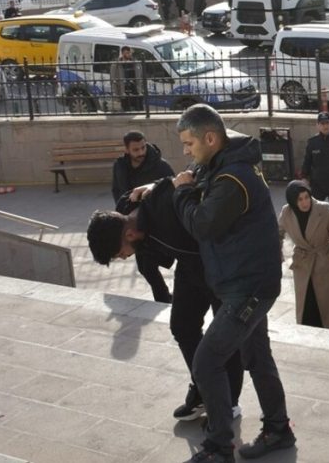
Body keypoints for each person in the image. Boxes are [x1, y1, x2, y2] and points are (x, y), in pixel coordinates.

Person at [171, 104, 293, 462]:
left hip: (248, 288)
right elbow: (197, 181)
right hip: (248, 281)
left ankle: (220, 447)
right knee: (257, 356)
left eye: (189, 143)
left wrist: (183, 193)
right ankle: (278, 429)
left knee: (207, 361)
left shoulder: (233, 178)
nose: (186, 152)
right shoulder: (221, 165)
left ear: (210, 138)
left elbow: (203, 224)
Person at [86, 177, 245, 424]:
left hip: (219, 270)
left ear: (128, 233)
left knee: (224, 338)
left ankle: (228, 403)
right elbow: (154, 189)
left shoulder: (166, 215)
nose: (124, 258)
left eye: (120, 253)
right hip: (190, 269)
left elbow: (185, 182)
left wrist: (159, 184)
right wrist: (149, 186)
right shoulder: (129, 208)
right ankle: (203, 390)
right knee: (182, 327)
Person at [277, 180, 329, 329]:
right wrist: (278, 252)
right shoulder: (287, 212)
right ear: (293, 201)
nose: (305, 202)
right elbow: (278, 233)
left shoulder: (324, 209)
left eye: (306, 197)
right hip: (303, 265)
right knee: (307, 309)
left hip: (324, 263)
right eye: (300, 199)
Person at [110, 130, 175, 300]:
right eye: (136, 150)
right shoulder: (120, 166)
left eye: (143, 147)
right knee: (145, 267)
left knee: (150, 263)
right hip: (133, 224)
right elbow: (117, 189)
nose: (141, 153)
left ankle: (165, 297)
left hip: (155, 224)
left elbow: (172, 188)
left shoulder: (161, 166)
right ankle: (163, 296)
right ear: (127, 150)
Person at [110, 46, 142, 112]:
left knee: (139, 108)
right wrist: (115, 92)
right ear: (123, 53)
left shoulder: (135, 63)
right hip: (123, 89)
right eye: (127, 53)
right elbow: (113, 79)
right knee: (126, 109)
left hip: (134, 89)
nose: (129, 54)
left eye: (130, 52)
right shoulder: (116, 64)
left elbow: (140, 76)